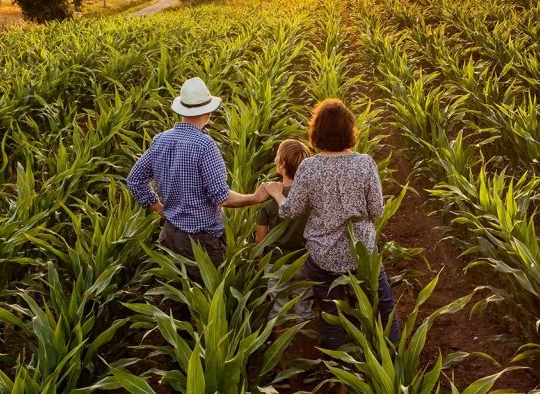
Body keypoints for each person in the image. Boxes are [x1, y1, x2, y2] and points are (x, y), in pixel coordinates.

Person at [264, 99, 401, 349]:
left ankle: (337, 365)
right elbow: (377, 211)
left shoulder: (309, 167)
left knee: (330, 313)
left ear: (316, 133)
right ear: (350, 131)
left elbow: (291, 211)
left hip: (323, 257)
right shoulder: (365, 163)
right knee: (384, 304)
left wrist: (276, 194)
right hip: (362, 254)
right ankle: (392, 358)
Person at [127, 77, 269, 274]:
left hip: (169, 234)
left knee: (174, 298)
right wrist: (255, 198)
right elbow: (222, 197)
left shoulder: (160, 140)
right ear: (207, 112)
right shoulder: (205, 146)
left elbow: (134, 180)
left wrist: (159, 208)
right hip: (200, 243)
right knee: (205, 298)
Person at [256, 139, 314, 321]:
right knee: (304, 304)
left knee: (277, 307)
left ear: (281, 165)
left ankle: (282, 344)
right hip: (304, 261)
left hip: (277, 263)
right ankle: (304, 340)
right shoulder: (310, 196)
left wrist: (259, 262)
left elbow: (261, 238)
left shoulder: (268, 200)